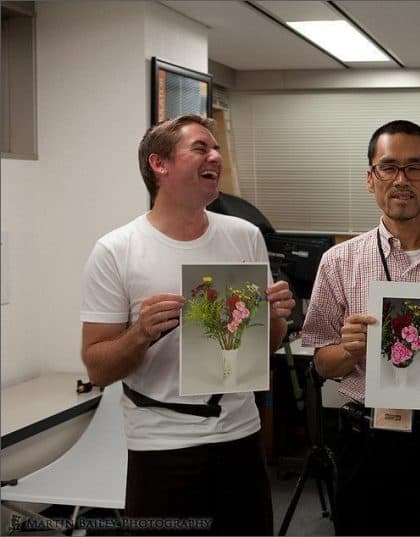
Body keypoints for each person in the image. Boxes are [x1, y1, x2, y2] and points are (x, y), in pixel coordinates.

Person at [80, 114, 295, 535]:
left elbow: (264, 347)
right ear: (159, 164)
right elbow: (97, 368)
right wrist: (140, 333)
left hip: (240, 437)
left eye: (216, 148)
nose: (215, 156)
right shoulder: (116, 250)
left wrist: (275, 317)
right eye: (200, 148)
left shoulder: (245, 236)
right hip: (161, 445)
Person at [301, 119, 420, 535]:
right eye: (388, 167)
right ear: (370, 178)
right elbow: (321, 363)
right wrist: (348, 350)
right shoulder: (339, 262)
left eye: (414, 167)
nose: (401, 179)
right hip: (366, 439)